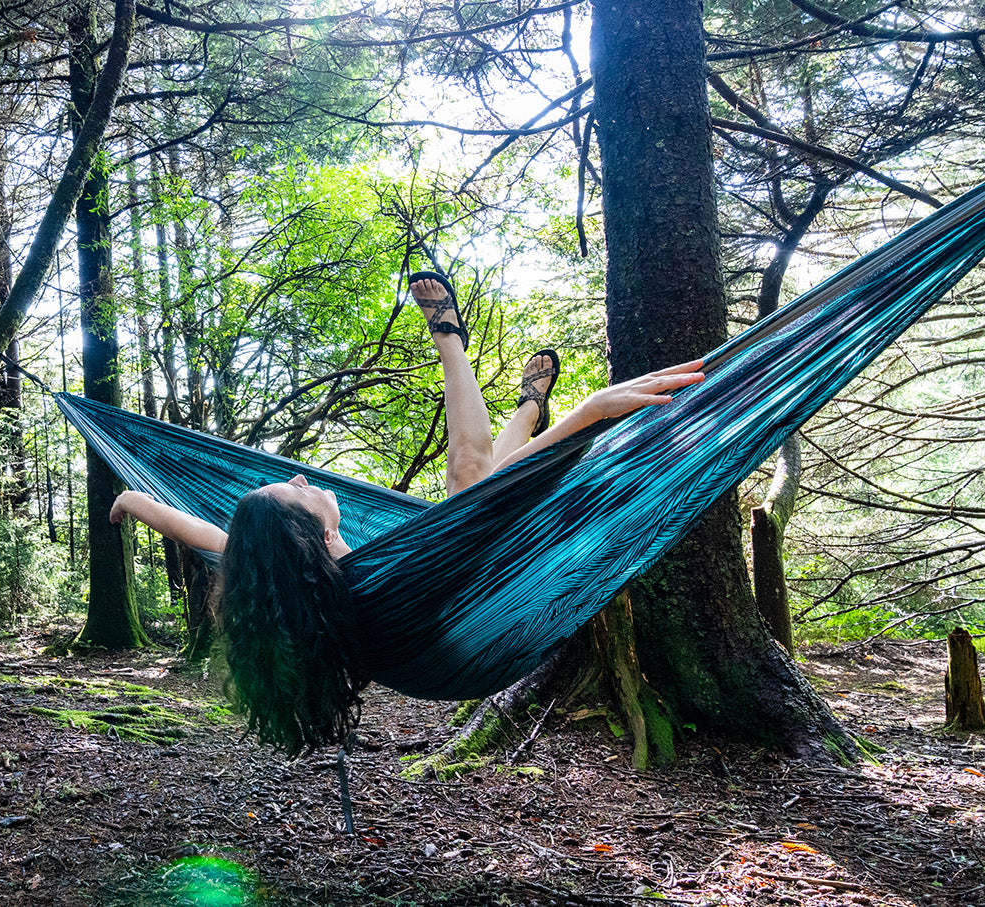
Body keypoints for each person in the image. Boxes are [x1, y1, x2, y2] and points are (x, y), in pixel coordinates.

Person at [109, 274, 704, 755]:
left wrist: (136, 502)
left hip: (449, 609)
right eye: (297, 490)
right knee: (473, 480)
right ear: (311, 530)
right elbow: (484, 508)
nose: (299, 477)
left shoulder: (287, 572)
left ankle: (527, 411)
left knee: (481, 479)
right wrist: (589, 415)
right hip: (456, 650)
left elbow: (208, 534)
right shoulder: (372, 581)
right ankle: (454, 343)